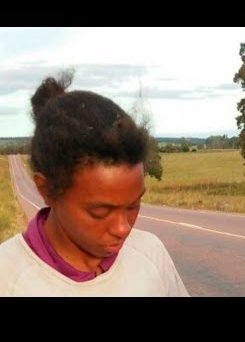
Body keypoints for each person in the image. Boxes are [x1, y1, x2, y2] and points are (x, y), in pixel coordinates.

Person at [0, 75, 189, 296]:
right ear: (46, 190)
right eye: (100, 212)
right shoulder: (7, 279)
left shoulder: (150, 253)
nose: (123, 228)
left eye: (133, 205)